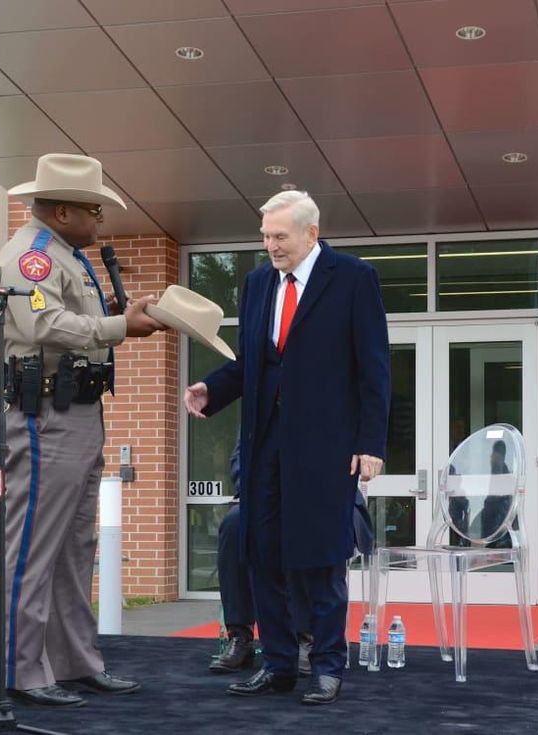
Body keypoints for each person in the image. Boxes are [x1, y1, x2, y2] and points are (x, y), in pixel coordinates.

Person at [184, 190, 390, 706]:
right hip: (264, 442)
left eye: (280, 237)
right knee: (262, 552)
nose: (270, 246)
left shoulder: (352, 278)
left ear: (311, 234)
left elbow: (374, 368)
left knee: (319, 558)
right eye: (265, 236)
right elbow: (252, 361)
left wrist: (370, 443)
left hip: (326, 447)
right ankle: (277, 665)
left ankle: (325, 666)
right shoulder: (257, 284)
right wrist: (213, 389)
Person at [0, 153, 164, 708]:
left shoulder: (67, 255)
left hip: (80, 412)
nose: (100, 221)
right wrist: (121, 325)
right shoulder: (33, 257)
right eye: (93, 210)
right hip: (45, 417)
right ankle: (25, 670)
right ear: (62, 210)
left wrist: (122, 314)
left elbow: (78, 324)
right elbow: (43, 323)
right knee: (36, 546)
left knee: (76, 546)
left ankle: (74, 661)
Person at [211, 438, 314, 677]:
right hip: (263, 497)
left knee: (299, 527)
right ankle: (240, 636)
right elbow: (240, 459)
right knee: (235, 525)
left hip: (317, 501)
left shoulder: (321, 405)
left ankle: (306, 638)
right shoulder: (260, 405)